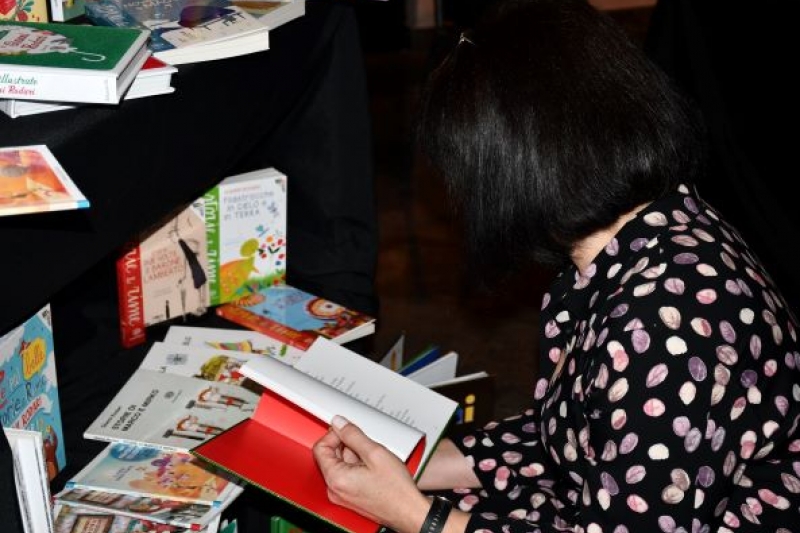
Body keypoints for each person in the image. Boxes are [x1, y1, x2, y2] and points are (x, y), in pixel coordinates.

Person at [311, 0, 800, 532]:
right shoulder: (654, 225)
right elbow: (580, 433)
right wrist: (412, 461)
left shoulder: (663, 328)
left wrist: (415, 515)